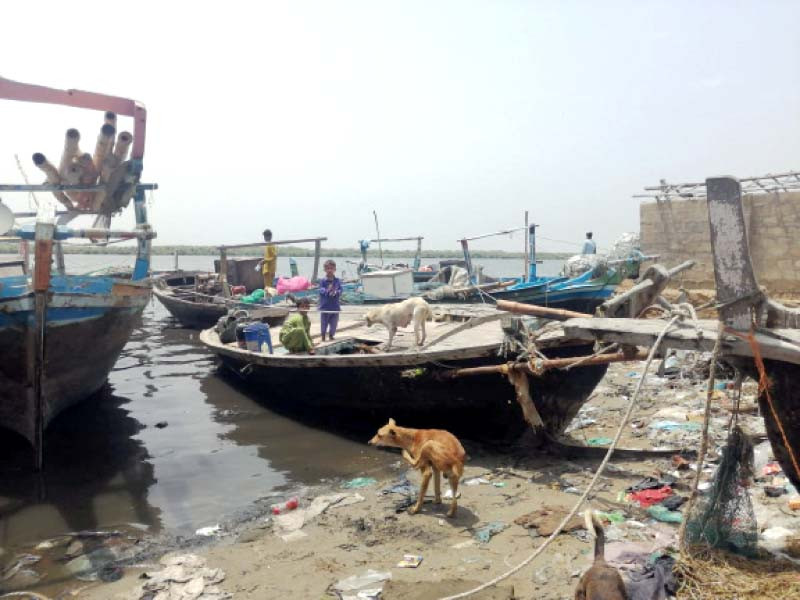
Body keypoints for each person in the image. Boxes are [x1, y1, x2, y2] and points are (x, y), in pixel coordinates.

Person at [319, 259, 342, 341]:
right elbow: (321, 290)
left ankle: (331, 335)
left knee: (334, 323)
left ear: (334, 269)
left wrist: (336, 292)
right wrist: (327, 291)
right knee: (324, 323)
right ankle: (323, 336)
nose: (329, 270)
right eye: (327, 268)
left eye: (331, 268)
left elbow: (340, 290)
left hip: (335, 307)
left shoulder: (337, 281)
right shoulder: (322, 281)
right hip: (325, 307)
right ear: (325, 270)